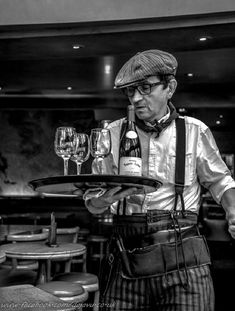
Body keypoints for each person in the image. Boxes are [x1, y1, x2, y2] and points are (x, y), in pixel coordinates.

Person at [84, 49, 235, 311]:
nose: (136, 98)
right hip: (125, 263)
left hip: (185, 265)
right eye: (130, 91)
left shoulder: (195, 131)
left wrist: (234, 212)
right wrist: (102, 200)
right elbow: (92, 202)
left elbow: (221, 182)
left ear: (170, 87)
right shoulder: (112, 133)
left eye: (145, 88)